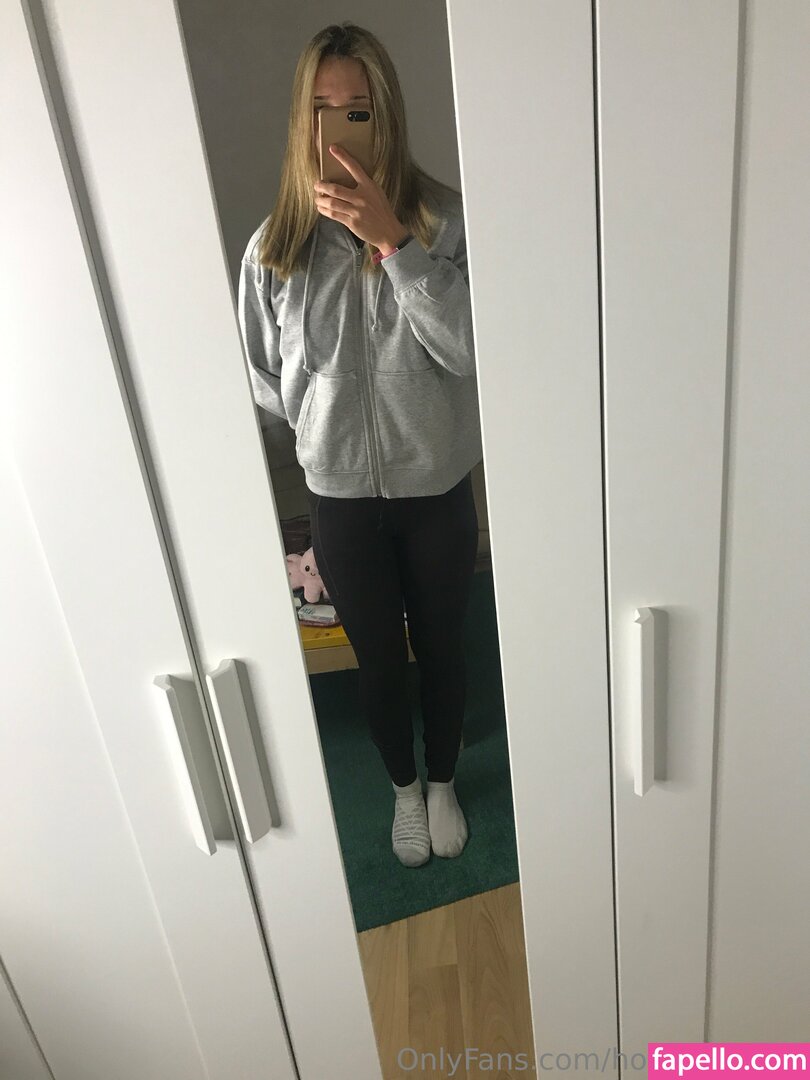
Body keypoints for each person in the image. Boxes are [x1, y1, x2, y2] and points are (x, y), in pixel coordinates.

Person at [238, 22, 483, 868]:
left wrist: (397, 245)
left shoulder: (447, 223)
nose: (337, 127)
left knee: (444, 646)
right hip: (340, 498)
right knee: (378, 661)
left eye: (357, 109)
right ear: (300, 120)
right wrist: (322, 425)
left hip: (437, 491)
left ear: (387, 117)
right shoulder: (274, 247)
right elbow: (262, 378)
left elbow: (472, 352)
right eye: (320, 108)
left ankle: (443, 780)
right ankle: (404, 790)